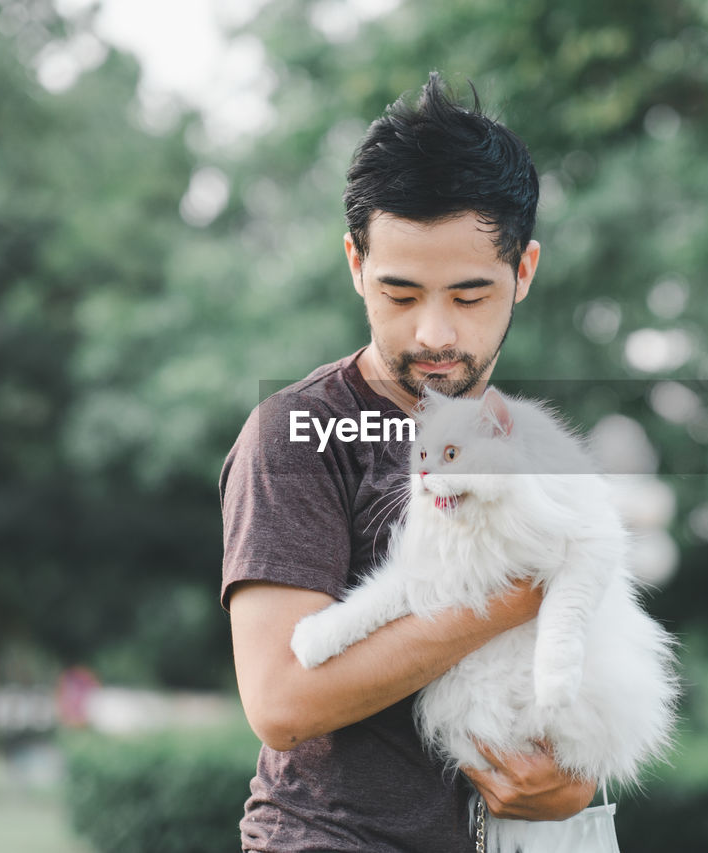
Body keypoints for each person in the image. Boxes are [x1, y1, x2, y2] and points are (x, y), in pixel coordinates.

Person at [220, 71, 597, 853]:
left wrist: (577, 776)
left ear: (523, 272)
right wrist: (523, 587)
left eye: (469, 296)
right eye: (400, 294)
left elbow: (587, 655)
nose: (434, 334)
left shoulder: (525, 443)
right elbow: (281, 701)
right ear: (355, 263)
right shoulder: (297, 431)